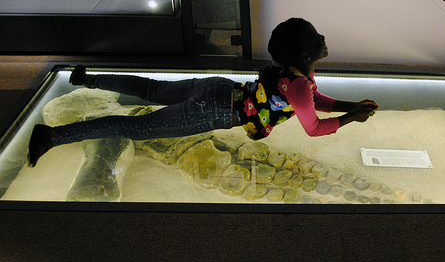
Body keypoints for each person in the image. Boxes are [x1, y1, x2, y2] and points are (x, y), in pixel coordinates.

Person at [27, 18, 379, 166]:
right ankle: (51, 136)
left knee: (150, 89)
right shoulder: (301, 83)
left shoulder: (296, 74)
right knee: (134, 127)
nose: (323, 40)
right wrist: (351, 117)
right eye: (318, 39)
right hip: (214, 111)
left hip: (217, 88)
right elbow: (314, 126)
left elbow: (315, 100)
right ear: (305, 54)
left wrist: (352, 105)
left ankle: (86, 78)